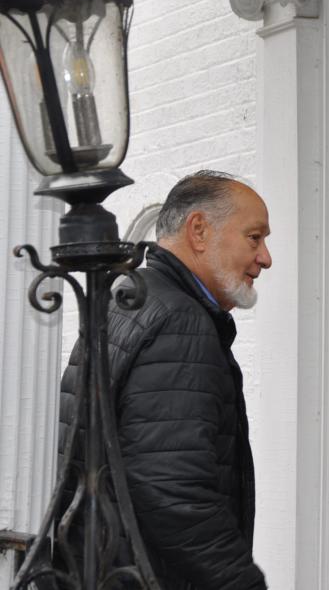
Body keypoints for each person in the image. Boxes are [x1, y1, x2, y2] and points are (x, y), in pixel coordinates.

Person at [58, 170, 272, 589]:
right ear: (198, 231)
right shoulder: (179, 320)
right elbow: (174, 490)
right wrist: (241, 582)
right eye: (254, 237)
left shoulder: (128, 296)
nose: (265, 257)